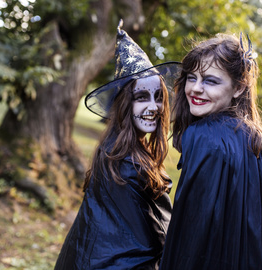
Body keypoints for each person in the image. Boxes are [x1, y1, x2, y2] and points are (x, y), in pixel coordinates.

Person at [54, 20, 180, 270]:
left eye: (158, 97)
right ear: (124, 104)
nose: (153, 107)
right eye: (141, 97)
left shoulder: (113, 150)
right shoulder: (129, 164)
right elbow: (158, 242)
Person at [160, 33, 262, 269]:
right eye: (192, 78)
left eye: (210, 81)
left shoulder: (203, 137)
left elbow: (191, 236)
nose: (195, 89)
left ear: (238, 88)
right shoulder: (252, 137)